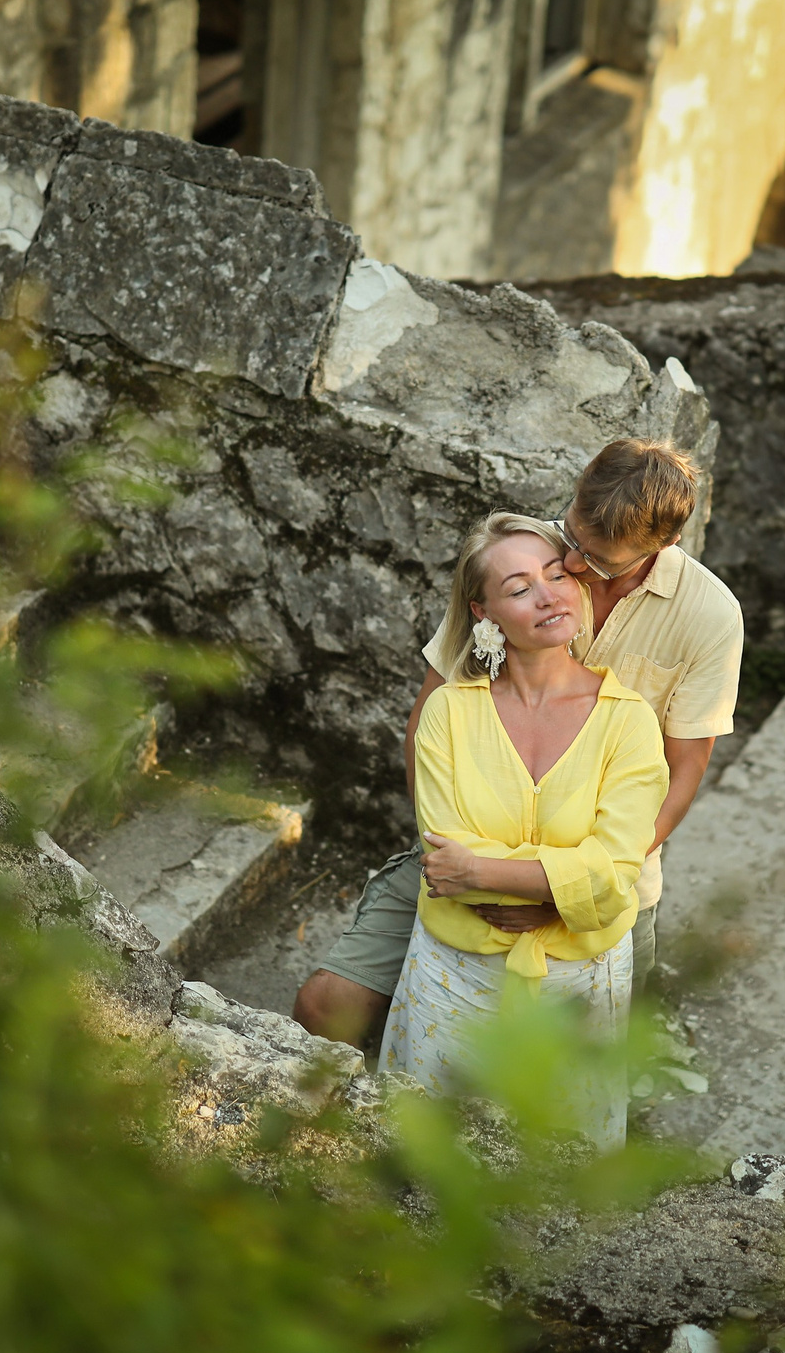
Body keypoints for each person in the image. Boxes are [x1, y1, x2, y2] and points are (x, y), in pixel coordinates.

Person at [293, 438, 744, 1048]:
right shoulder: (525, 553)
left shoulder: (710, 616)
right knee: (326, 1008)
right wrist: (462, 857)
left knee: (584, 1068)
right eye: (573, 544)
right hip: (470, 849)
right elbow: (431, 714)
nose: (574, 568)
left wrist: (565, 893)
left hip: (606, 872)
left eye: (597, 561)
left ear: (663, 546)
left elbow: (684, 768)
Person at [378, 513, 666, 1146]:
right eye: (519, 587)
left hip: (580, 979)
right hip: (456, 970)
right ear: (485, 614)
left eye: (557, 574)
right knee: (428, 1149)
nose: (547, 594)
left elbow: (617, 876)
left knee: (559, 1172)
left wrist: (488, 872)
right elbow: (443, 860)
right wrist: (563, 885)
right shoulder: (448, 714)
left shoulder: (630, 723)